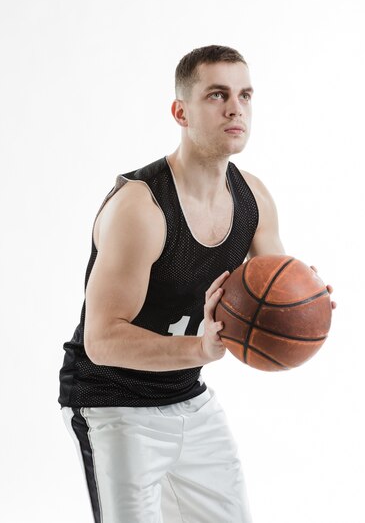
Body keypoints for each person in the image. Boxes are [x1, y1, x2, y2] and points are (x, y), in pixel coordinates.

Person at [58, 44, 336, 523]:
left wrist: (306, 300)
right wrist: (200, 349)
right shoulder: (140, 208)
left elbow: (273, 292)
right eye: (217, 95)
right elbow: (102, 341)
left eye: (246, 95)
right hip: (111, 404)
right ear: (180, 111)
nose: (236, 107)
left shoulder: (255, 199)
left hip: (189, 398)